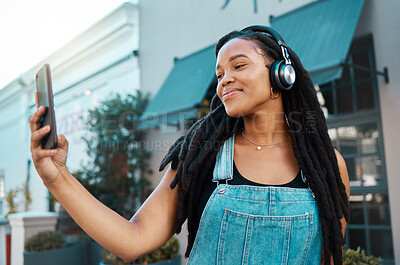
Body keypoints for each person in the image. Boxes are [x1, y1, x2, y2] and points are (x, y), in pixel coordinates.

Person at [30, 25, 350, 265]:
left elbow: (330, 258)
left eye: (239, 66)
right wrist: (57, 178)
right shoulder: (201, 157)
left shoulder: (326, 166)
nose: (224, 79)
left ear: (282, 75)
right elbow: (131, 240)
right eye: (220, 73)